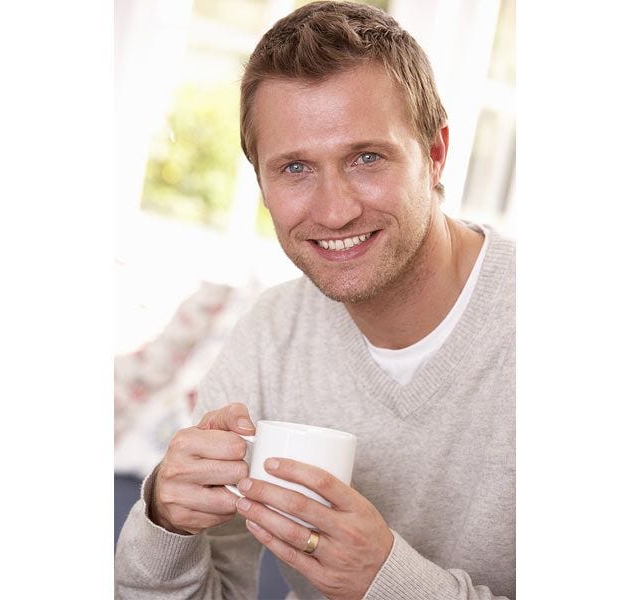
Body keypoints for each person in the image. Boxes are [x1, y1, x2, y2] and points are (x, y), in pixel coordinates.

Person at [115, 2, 515, 598]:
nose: (334, 211)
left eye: (367, 157)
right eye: (296, 167)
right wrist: (167, 527)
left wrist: (387, 580)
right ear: (262, 186)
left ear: (435, 153)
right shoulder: (271, 335)